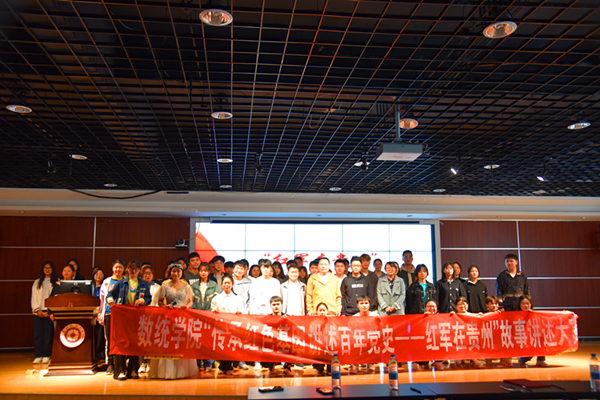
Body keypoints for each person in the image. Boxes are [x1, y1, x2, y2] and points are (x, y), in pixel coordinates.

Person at [149, 263, 197, 379]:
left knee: (180, 342)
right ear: (170, 272)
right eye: (173, 271)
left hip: (182, 318)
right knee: (168, 342)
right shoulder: (164, 286)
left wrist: (186, 306)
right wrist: (165, 306)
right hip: (168, 318)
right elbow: (160, 302)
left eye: (178, 271)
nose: (176, 274)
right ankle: (166, 371)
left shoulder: (187, 286)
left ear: (182, 273)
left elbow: (191, 301)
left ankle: (181, 371)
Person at [106, 259, 151, 380]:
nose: (133, 271)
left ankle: (133, 370)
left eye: (136, 269)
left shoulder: (143, 284)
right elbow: (110, 294)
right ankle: (120, 370)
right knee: (121, 343)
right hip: (122, 318)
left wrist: (142, 300)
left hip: (136, 318)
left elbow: (148, 298)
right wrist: (110, 300)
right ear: (127, 269)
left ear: (139, 270)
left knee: (134, 344)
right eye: (131, 269)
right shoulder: (121, 283)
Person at [211, 275, 243, 375]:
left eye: (229, 283)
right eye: (225, 283)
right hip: (220, 326)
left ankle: (229, 367)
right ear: (222, 285)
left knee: (230, 347)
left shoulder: (237, 298)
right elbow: (212, 311)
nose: (227, 285)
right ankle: (221, 367)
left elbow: (241, 311)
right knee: (221, 346)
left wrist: (239, 312)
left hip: (233, 327)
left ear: (232, 284)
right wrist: (215, 311)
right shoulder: (217, 298)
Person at [98, 259, 125, 375]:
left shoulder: (126, 281)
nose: (118, 269)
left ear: (124, 269)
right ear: (112, 268)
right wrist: (101, 314)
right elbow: (102, 299)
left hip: (122, 315)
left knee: (122, 340)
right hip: (109, 313)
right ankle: (110, 363)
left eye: (120, 267)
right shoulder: (106, 282)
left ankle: (121, 364)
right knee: (109, 340)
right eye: (116, 267)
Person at [190, 263, 218, 373]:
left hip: (209, 317)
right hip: (196, 316)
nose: (203, 272)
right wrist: (194, 312)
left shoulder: (213, 285)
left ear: (209, 272)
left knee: (208, 341)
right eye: (201, 270)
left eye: (205, 270)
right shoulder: (194, 285)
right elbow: (190, 300)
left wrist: (211, 312)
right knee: (196, 340)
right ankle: (197, 363)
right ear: (198, 272)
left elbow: (216, 300)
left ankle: (208, 363)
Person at [31, 261, 58, 365]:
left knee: (49, 335)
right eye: (45, 268)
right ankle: (38, 355)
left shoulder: (56, 282)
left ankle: (47, 355)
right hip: (38, 312)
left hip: (49, 312)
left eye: (49, 268)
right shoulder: (38, 282)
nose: (47, 270)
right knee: (38, 335)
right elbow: (34, 297)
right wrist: (37, 310)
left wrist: (50, 311)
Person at [263, 296, 294, 376]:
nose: (276, 306)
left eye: (278, 304)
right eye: (274, 305)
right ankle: (271, 365)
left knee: (292, 345)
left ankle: (287, 367)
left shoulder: (287, 317)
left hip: (284, 342)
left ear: (282, 305)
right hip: (272, 342)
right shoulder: (267, 318)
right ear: (271, 306)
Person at [517, 295, 549, 368]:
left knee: (541, 340)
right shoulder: (515, 314)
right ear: (519, 305)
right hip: (522, 337)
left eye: (528, 303)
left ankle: (540, 360)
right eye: (523, 303)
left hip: (532, 336)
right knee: (528, 354)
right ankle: (522, 359)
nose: (526, 305)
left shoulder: (535, 314)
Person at [451, 297, 482, 369]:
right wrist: (450, 315)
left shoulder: (472, 315)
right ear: (456, 306)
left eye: (464, 304)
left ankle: (474, 361)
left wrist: (480, 316)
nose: (462, 306)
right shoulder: (453, 315)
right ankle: (459, 360)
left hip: (470, 337)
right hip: (458, 337)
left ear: (467, 305)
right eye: (460, 304)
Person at [350, 295, 378, 374]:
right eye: (361, 303)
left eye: (366, 303)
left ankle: (370, 363)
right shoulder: (354, 318)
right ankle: (355, 364)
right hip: (359, 341)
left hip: (371, 340)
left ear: (369, 304)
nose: (364, 305)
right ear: (357, 305)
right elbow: (351, 333)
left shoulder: (375, 316)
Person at [90, 266, 106, 363]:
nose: (98, 276)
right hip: (90, 312)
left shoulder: (105, 285)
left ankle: (99, 353)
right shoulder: (89, 286)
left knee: (100, 333)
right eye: (96, 274)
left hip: (101, 311)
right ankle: (91, 353)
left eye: (101, 274)